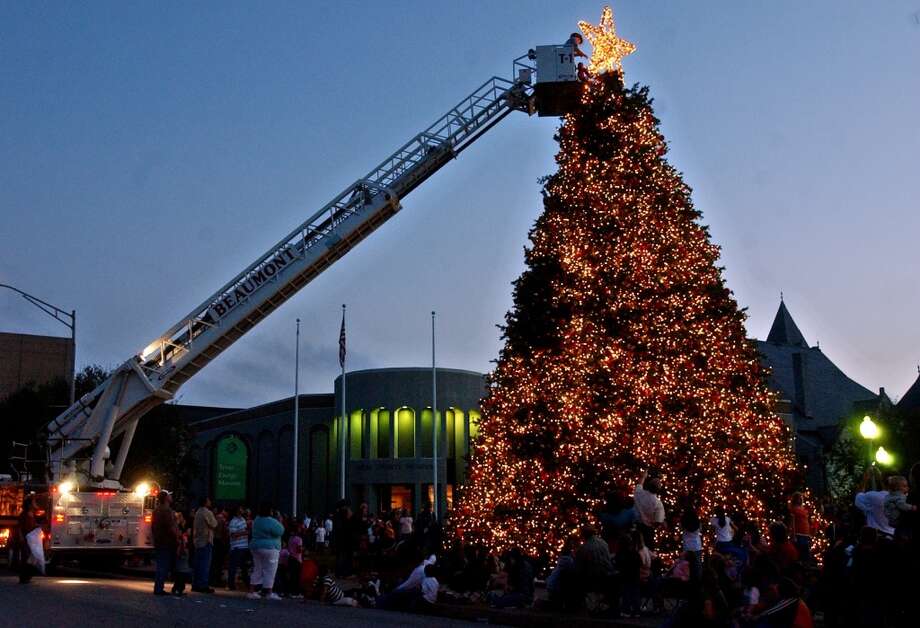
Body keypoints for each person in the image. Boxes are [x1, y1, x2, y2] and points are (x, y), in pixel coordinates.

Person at [248, 502, 285, 600]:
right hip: (270, 548)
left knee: (257, 568)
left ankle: (252, 591)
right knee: (270, 570)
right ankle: (269, 592)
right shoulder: (271, 521)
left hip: (255, 546)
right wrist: (280, 521)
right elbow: (280, 531)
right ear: (270, 511)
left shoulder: (256, 520)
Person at [152, 492, 179, 595]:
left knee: (161, 564)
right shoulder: (166, 510)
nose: (171, 497)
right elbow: (170, 527)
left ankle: (159, 587)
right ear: (166, 498)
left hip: (159, 540)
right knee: (163, 565)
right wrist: (177, 538)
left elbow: (154, 526)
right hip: (166, 541)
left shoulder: (156, 510)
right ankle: (159, 588)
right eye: (169, 495)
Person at [854, 467, 894, 537]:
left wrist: (865, 479)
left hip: (877, 537)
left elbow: (858, 497)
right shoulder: (904, 499)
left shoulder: (873, 497)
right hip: (895, 536)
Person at [633, 470, 665, 549]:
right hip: (647, 530)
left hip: (635, 526)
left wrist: (643, 476)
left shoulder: (639, 493)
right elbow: (658, 521)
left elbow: (639, 483)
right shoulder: (658, 504)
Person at [192, 496, 218, 593]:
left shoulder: (198, 512)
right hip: (206, 540)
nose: (210, 502)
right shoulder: (207, 512)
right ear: (206, 502)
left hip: (197, 540)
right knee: (205, 564)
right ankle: (203, 585)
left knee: (197, 564)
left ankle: (195, 584)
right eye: (209, 500)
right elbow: (214, 524)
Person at [16, 496, 40, 584]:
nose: (35, 504)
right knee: (25, 557)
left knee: (31, 557)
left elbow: (32, 525)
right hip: (26, 538)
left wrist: (37, 526)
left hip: (31, 538)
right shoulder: (24, 514)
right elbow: (19, 527)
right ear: (29, 504)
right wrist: (21, 537)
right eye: (33, 502)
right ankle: (23, 577)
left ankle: (28, 576)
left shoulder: (31, 514)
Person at [227, 505, 250, 590]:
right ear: (237, 511)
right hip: (237, 547)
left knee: (244, 568)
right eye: (240, 508)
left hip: (244, 547)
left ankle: (247, 585)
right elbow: (232, 534)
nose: (242, 509)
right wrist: (245, 533)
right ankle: (231, 585)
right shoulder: (233, 521)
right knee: (233, 567)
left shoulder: (243, 519)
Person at [680, 504, 703, 582]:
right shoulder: (697, 522)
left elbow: (681, 528)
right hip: (696, 546)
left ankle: (688, 582)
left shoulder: (684, 521)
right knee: (697, 566)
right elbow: (700, 529)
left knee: (686, 566)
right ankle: (698, 582)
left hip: (687, 547)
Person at [788, 492, 812, 561]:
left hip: (805, 534)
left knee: (805, 554)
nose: (800, 499)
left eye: (801, 498)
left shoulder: (803, 508)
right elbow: (792, 522)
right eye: (799, 498)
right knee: (800, 553)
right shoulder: (793, 509)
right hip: (798, 534)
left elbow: (806, 521)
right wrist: (793, 535)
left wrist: (809, 534)